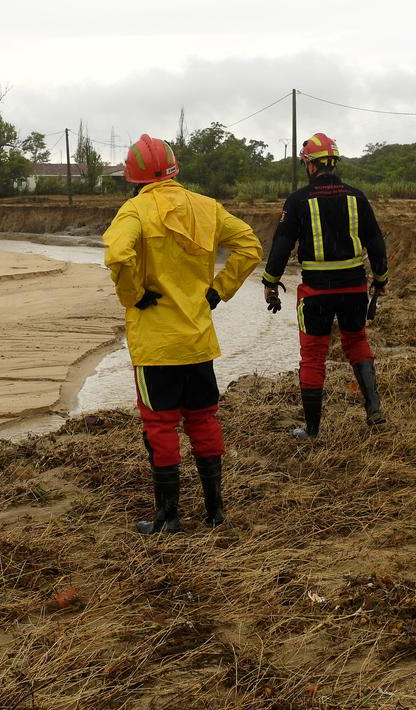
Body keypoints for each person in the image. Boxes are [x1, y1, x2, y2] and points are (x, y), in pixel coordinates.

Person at [103, 134, 262, 534]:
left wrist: (133, 296)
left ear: (134, 177)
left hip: (156, 345)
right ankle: (215, 512)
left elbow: (118, 255)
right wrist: (218, 291)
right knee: (203, 420)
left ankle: (168, 516)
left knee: (159, 426)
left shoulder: (134, 211)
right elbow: (249, 246)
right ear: (174, 169)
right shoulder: (206, 207)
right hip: (197, 339)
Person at [261, 132, 389, 438]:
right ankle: (374, 411)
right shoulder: (357, 197)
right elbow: (375, 241)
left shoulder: (298, 200)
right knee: (357, 342)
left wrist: (270, 281)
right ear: (334, 163)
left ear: (310, 165)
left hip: (316, 292)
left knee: (314, 355)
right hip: (354, 289)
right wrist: (380, 280)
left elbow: (282, 243)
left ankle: (313, 429)